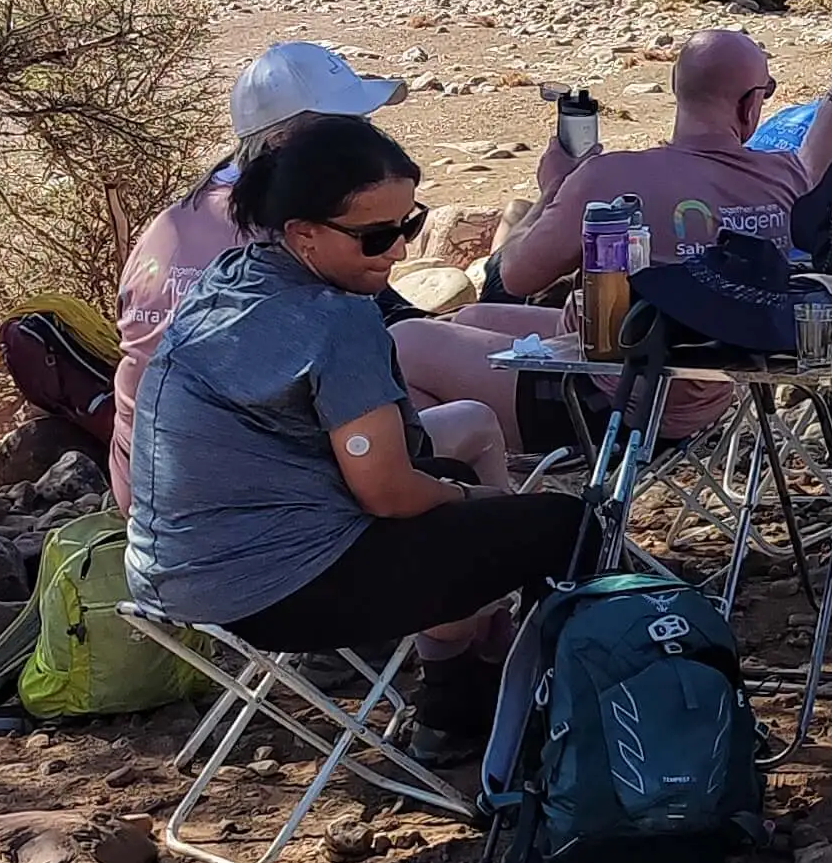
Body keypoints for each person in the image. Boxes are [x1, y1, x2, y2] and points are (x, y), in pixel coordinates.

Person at [124, 116, 585, 761]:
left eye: (410, 224)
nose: (398, 250)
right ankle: (581, 737)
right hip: (274, 585)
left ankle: (458, 707)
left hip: (171, 573)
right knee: (570, 526)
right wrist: (463, 499)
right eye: (376, 236)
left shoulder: (226, 280)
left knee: (464, 506)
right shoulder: (336, 319)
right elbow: (390, 494)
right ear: (303, 234)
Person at [392, 33, 832, 453]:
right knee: (467, 324)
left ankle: (439, 490)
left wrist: (555, 189)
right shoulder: (781, 180)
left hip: (616, 399)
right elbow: (816, 166)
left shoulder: (610, 179)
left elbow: (511, 280)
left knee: (406, 342)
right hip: (715, 382)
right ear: (749, 105)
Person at [110, 43, 508, 510]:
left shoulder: (175, 219)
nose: (367, 142)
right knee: (468, 424)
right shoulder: (298, 235)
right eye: (351, 130)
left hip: (145, 477)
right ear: (292, 144)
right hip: (241, 490)